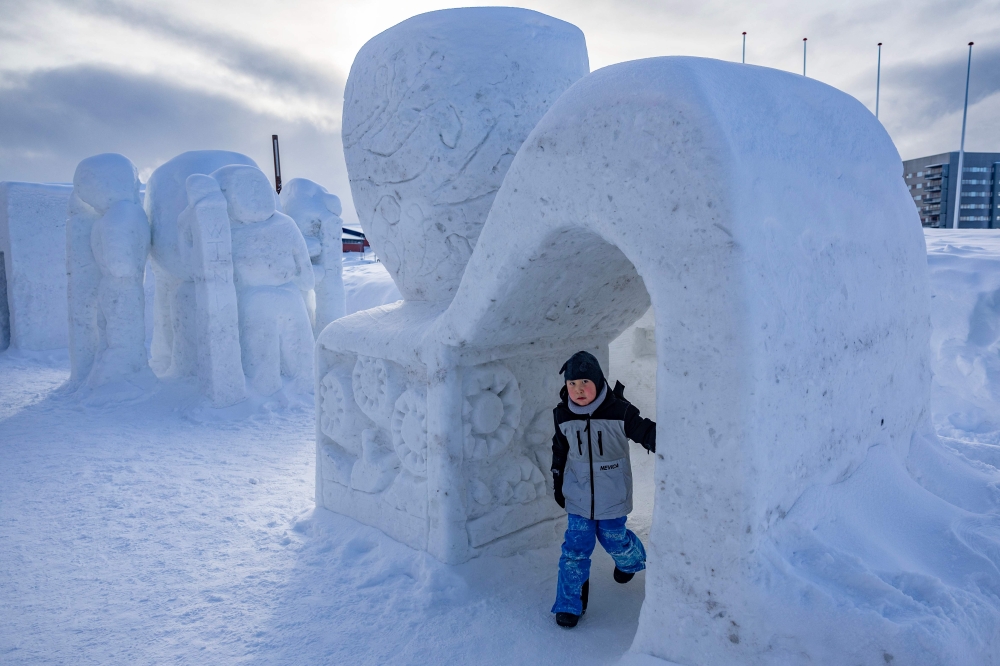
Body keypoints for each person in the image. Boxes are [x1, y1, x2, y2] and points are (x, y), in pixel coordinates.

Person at [550, 350, 656, 628]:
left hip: (612, 495)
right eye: (572, 384)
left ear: (598, 382)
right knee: (575, 550)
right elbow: (559, 450)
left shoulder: (619, 411)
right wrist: (557, 480)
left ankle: (631, 562)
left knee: (613, 538)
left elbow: (643, 430)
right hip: (578, 495)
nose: (578, 389)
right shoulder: (562, 416)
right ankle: (569, 604)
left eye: (584, 382)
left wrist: (663, 439)